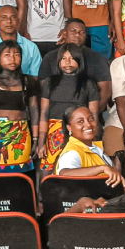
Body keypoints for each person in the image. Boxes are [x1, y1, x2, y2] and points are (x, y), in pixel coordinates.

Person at [0, 41, 39, 173]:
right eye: (7, 54)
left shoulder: (28, 81)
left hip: (20, 137)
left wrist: (36, 139)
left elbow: (34, 110)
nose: (12, 58)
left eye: (16, 54)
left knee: (19, 178)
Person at [38, 42, 101, 173]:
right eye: (64, 59)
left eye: (72, 58)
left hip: (79, 131)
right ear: (59, 61)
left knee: (77, 168)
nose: (68, 62)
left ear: (79, 60)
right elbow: (44, 113)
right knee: (47, 171)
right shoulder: (50, 82)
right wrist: (41, 141)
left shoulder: (88, 83)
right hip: (53, 133)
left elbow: (93, 115)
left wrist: (93, 139)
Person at [38, 18, 112, 110]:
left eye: (82, 32)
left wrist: (91, 116)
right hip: (55, 116)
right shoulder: (50, 57)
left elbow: (106, 91)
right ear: (64, 33)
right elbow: (42, 89)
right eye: (73, 31)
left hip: (86, 116)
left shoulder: (96, 58)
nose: (77, 35)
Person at [54, 105, 124, 185]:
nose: (88, 124)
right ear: (69, 127)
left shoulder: (96, 148)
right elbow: (64, 174)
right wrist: (102, 168)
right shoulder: (72, 153)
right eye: (80, 121)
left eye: (91, 119)